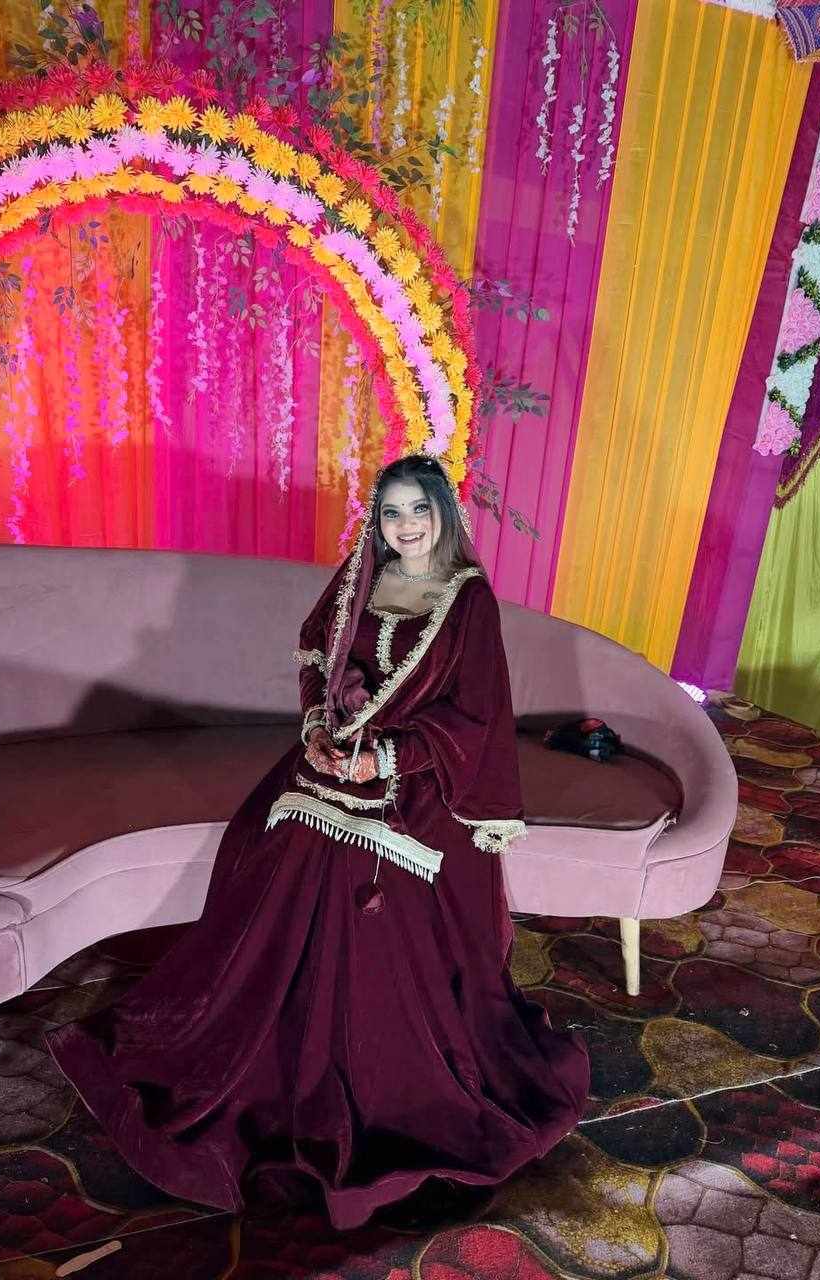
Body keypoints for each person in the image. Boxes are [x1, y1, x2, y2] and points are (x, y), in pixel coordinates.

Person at [45, 452, 590, 1231]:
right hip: (336, 759)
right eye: (392, 512)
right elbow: (316, 654)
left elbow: (474, 717)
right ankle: (275, 1041)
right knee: (280, 836)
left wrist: (386, 757)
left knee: (360, 868)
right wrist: (318, 729)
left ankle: (373, 1066)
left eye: (419, 511)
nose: (405, 526)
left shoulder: (467, 600)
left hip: (420, 781)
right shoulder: (360, 578)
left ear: (443, 514)